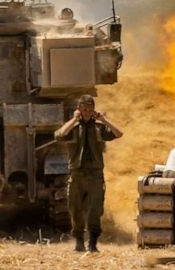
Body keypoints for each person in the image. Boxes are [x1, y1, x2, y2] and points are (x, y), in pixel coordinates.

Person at [54, 94, 124, 252]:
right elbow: (59, 135)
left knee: (95, 210)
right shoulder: (73, 128)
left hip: (95, 176)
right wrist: (73, 120)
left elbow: (119, 133)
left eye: (90, 110)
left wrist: (104, 120)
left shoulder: (99, 127)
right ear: (79, 109)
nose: (87, 113)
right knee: (75, 209)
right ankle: (79, 241)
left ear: (93, 110)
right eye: (84, 109)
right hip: (77, 175)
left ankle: (92, 243)